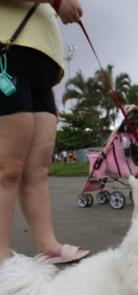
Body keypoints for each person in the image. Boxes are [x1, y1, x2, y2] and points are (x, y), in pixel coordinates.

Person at [0, 0, 89, 263]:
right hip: (9, 53)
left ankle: (47, 245)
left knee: (38, 169)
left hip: (43, 70)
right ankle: (1, 257)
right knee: (7, 168)